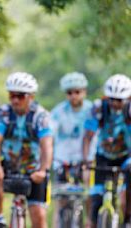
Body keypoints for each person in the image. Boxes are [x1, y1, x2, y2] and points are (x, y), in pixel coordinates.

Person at [0, 72, 53, 228]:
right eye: (12, 95)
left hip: (34, 169)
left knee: (38, 216)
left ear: (31, 97)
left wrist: (43, 170)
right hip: (9, 166)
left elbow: (47, 145)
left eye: (20, 96)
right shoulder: (4, 113)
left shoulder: (41, 116)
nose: (15, 100)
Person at [83, 74, 131, 228]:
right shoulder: (99, 107)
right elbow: (88, 136)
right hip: (103, 155)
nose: (115, 103)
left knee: (126, 195)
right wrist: (85, 160)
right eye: (112, 99)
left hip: (126, 156)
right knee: (96, 197)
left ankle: (128, 221)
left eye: (119, 100)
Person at [50, 72, 93, 225]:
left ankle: (89, 221)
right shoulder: (58, 112)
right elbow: (50, 133)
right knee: (60, 201)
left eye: (77, 92)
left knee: (89, 194)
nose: (73, 96)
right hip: (63, 160)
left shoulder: (92, 110)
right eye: (69, 92)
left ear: (84, 92)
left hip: (85, 160)